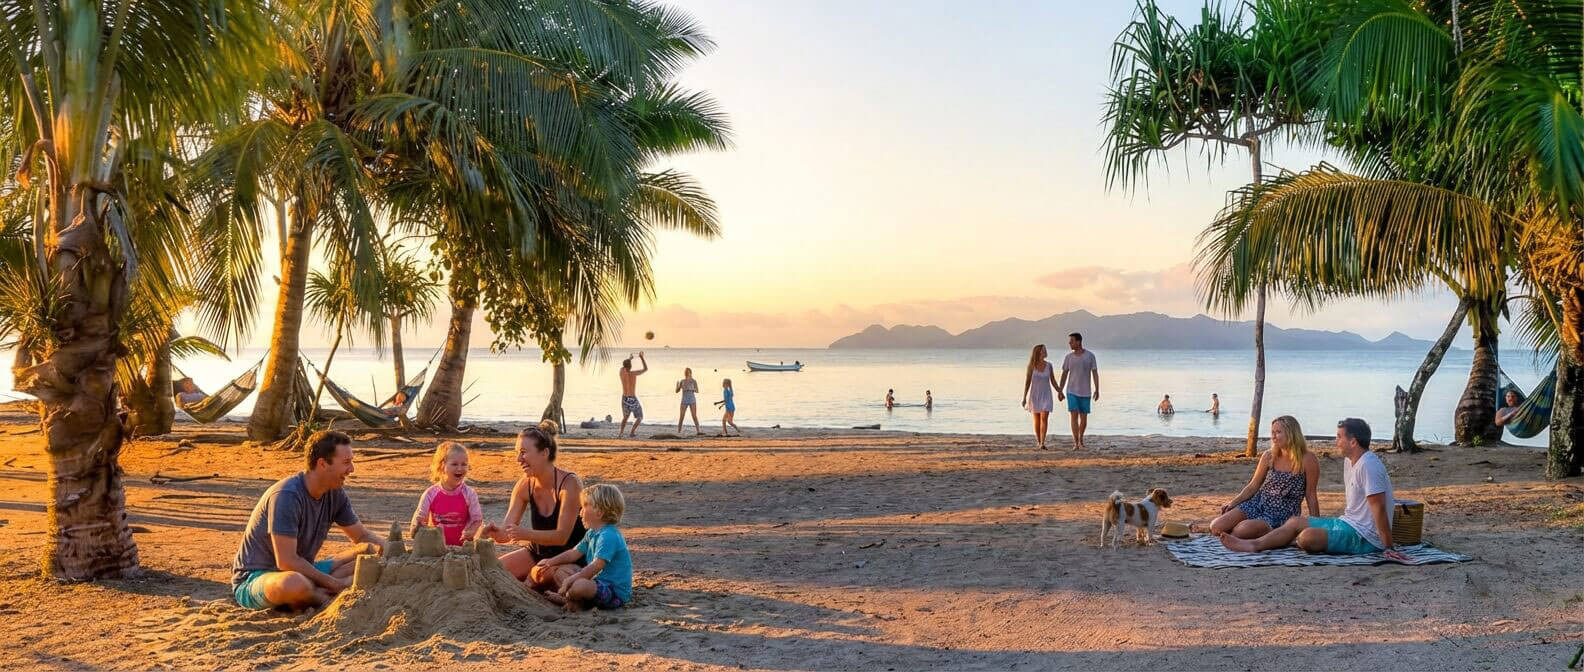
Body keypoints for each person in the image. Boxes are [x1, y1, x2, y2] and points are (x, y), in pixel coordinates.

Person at [230, 430, 386, 610]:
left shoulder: (334, 492)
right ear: (322, 464)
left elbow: (361, 535)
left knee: (368, 552)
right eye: (346, 462)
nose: (351, 469)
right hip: (259, 578)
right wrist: (334, 583)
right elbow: (286, 561)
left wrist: (398, 550)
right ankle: (323, 597)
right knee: (295, 583)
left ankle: (320, 589)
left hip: (304, 570)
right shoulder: (287, 495)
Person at [1218, 418, 1409, 562]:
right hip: (1348, 523)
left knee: (1306, 537)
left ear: (1353, 441)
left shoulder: (1369, 466)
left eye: (1339, 437)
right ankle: (1253, 545)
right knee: (1294, 522)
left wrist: (1387, 547)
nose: (1336, 441)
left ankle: (1279, 540)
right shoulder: (1350, 462)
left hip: (1366, 537)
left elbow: (1380, 509)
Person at [484, 421, 588, 591]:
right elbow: (506, 534)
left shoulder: (569, 483)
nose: (518, 459)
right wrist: (491, 533)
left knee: (541, 576)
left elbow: (562, 537)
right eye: (517, 453)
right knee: (493, 572)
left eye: (523, 453)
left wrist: (525, 534)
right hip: (537, 553)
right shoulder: (524, 486)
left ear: (544, 453)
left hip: (569, 557)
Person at [1207, 415, 1320, 539]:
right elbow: (1253, 486)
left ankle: (1272, 532)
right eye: (1272, 432)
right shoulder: (1268, 456)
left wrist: (1317, 526)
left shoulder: (1308, 459)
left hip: (1281, 514)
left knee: (1241, 531)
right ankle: (1254, 533)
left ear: (1292, 434)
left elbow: (1311, 495)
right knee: (1216, 526)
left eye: (1278, 432)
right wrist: (1233, 503)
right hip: (1257, 503)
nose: (1273, 436)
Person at [538, 483, 632, 611]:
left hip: (613, 591)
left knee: (579, 585)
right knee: (560, 572)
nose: (580, 514)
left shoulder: (609, 535)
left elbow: (596, 565)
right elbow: (574, 553)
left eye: (583, 508)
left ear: (599, 513)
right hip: (596, 583)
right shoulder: (592, 532)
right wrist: (550, 562)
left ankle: (569, 600)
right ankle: (572, 601)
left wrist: (572, 579)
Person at [410, 441, 484, 546]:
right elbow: (420, 519)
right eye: (454, 464)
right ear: (442, 466)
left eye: (464, 464)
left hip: (462, 548)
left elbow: (477, 519)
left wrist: (471, 531)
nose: (460, 468)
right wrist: (417, 528)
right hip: (437, 547)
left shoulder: (469, 494)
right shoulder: (431, 493)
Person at [1056, 332, 1099, 450]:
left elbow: (1095, 373)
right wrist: (1060, 390)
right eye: (1069, 342)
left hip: (1085, 391)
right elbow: (1064, 374)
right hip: (1071, 391)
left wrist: (1097, 389)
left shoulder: (1090, 356)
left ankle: (1081, 439)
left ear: (1078, 342)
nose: (1070, 344)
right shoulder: (1068, 358)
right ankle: (1076, 443)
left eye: (1072, 341)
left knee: (1083, 418)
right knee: (1073, 415)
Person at [1022, 344, 1056, 449]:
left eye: (1045, 349)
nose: (1046, 351)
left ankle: (1042, 443)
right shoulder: (1031, 366)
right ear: (1038, 352)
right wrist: (1024, 397)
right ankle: (1039, 441)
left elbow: (1053, 381)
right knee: (1036, 419)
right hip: (1035, 395)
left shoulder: (1049, 365)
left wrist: (1060, 391)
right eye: (1044, 350)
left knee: (1044, 417)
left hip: (1046, 395)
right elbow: (1027, 382)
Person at [618, 352, 648, 437]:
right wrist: (641, 358)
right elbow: (645, 369)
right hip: (632, 399)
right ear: (630, 366)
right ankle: (632, 432)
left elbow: (625, 366)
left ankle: (621, 433)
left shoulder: (621, 371)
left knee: (625, 417)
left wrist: (630, 359)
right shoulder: (633, 373)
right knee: (640, 417)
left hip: (625, 398)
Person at [676, 368, 702, 435]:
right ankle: (679, 431)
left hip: (692, 400)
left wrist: (692, 388)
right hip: (684, 400)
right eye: (686, 373)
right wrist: (677, 385)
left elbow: (697, 391)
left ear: (691, 373)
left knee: (694, 416)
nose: (688, 374)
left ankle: (698, 431)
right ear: (685, 373)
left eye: (689, 372)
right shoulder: (682, 381)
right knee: (681, 416)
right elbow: (677, 391)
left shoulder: (694, 381)